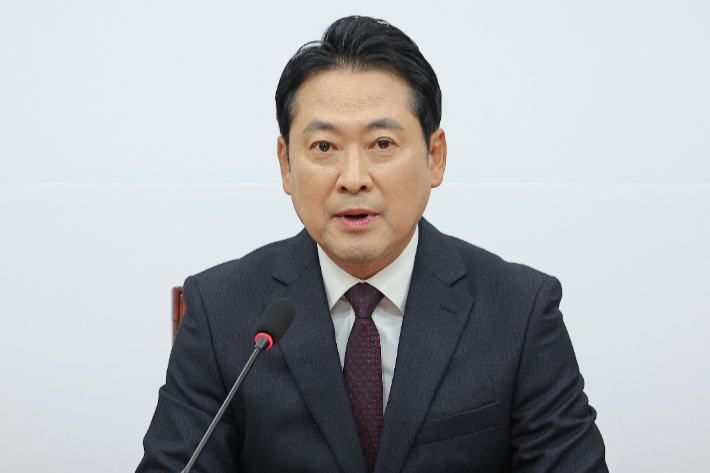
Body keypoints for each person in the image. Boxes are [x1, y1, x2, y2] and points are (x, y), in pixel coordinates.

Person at [137, 16, 607, 473]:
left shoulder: (519, 311)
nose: (353, 178)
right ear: (286, 165)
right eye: (324, 147)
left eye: (382, 144)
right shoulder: (220, 312)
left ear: (434, 156)